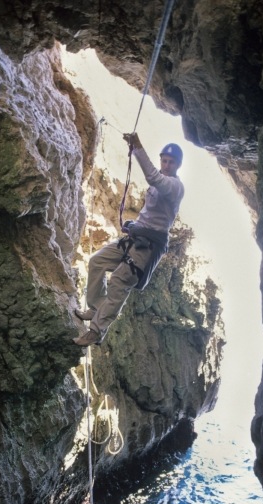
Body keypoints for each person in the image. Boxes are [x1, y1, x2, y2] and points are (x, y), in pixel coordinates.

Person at [73, 133, 184, 347]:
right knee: (97, 261)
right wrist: (135, 224)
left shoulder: (175, 187)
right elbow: (152, 212)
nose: (167, 165)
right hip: (137, 237)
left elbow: (154, 178)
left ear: (178, 166)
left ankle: (96, 331)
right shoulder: (158, 184)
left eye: (171, 162)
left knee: (119, 282)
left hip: (148, 246)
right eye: (165, 160)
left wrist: (138, 149)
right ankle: (96, 307)